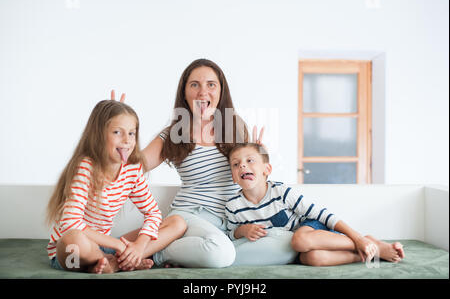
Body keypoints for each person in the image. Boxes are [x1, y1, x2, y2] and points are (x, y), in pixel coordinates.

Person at [111, 58, 265, 268]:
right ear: (184, 93)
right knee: (221, 254)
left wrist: (257, 163)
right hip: (190, 216)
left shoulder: (236, 128)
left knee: (282, 245)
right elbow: (134, 165)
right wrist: (117, 132)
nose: (203, 92)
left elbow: (251, 183)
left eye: (211, 84)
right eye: (195, 85)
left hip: (228, 222)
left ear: (221, 91)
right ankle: (155, 253)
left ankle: (168, 245)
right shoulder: (174, 134)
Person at [46, 100, 186, 274]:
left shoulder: (132, 170)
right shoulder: (86, 167)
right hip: (72, 255)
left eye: (131, 133)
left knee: (177, 223)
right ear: (99, 135)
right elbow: (70, 223)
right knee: (74, 239)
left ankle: (122, 261)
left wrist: (139, 245)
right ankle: (113, 262)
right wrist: (119, 245)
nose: (127, 140)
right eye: (117, 132)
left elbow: (153, 213)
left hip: (105, 247)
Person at [226, 143, 406, 266]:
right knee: (313, 258)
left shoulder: (281, 192)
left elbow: (322, 214)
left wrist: (358, 238)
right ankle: (368, 254)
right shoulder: (233, 205)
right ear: (233, 176)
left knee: (300, 240)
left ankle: (365, 242)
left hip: (308, 230)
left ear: (267, 170)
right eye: (236, 164)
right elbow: (230, 235)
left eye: (250, 160)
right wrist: (243, 230)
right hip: (294, 252)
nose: (242, 165)